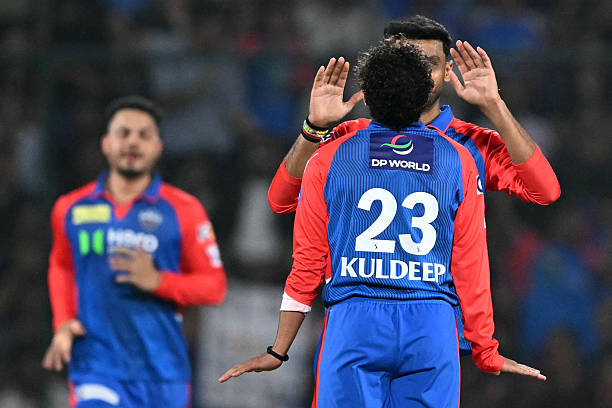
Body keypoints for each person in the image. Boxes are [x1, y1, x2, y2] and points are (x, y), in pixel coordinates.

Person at [219, 41, 545, 407]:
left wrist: (278, 349)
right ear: (425, 96)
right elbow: (471, 265)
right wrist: (485, 349)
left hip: (355, 321)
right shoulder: (459, 160)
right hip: (431, 323)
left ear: (366, 97)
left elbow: (307, 263)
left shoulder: (328, 157)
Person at [267, 15, 560, 353]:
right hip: (359, 329)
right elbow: (281, 200)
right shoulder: (351, 139)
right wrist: (314, 128)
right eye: (407, 63)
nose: (416, 75)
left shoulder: (469, 144)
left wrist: (495, 105)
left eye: (429, 65)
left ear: (448, 72)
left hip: (435, 336)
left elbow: (545, 191)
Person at [42, 96, 227, 407]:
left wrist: (158, 281)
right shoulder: (70, 208)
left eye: (144, 135)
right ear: (106, 143)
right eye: (123, 133)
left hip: (163, 374)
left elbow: (214, 287)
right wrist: (62, 321)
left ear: (158, 147)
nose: (133, 142)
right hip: (96, 366)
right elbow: (62, 266)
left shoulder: (185, 210)